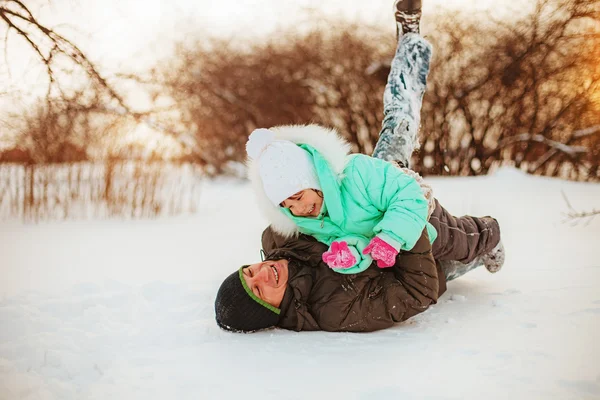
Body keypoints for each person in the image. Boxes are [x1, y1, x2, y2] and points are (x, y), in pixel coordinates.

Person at [214, 0, 505, 333]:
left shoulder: (281, 234)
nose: (262, 273)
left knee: (398, 121)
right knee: (454, 255)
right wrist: (394, 237)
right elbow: (416, 289)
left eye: (250, 272)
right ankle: (485, 247)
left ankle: (410, 43)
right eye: (258, 289)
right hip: (413, 234)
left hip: (380, 192)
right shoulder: (332, 310)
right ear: (266, 310)